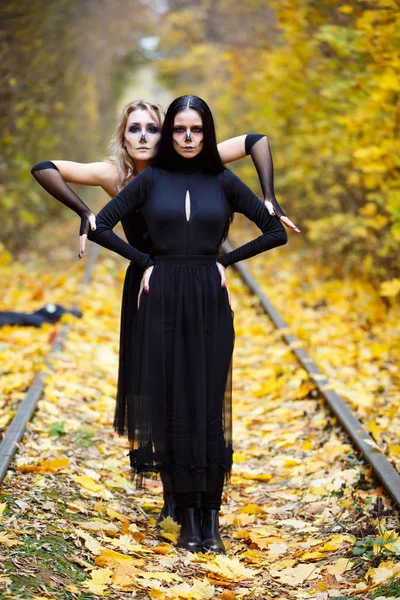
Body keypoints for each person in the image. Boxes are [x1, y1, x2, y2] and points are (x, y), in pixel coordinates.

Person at [31, 99, 300, 528]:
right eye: (134, 129)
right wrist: (85, 214)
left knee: (199, 389)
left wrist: (269, 199)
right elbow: (45, 167)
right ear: (122, 135)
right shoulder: (116, 174)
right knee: (159, 386)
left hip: (200, 279)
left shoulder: (191, 160)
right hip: (148, 279)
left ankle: (194, 499)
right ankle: (174, 495)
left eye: (153, 129)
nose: (143, 136)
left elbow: (255, 141)